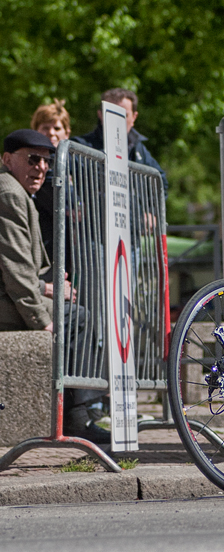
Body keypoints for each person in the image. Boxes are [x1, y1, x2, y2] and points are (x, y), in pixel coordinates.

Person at [0, 130, 105, 442]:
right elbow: (16, 271)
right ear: (7, 159)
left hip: (9, 295)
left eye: (46, 161)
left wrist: (47, 285)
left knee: (74, 311)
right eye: (33, 159)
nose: (41, 168)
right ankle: (79, 417)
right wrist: (42, 320)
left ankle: (80, 412)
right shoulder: (9, 194)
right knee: (78, 319)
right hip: (6, 302)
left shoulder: (17, 192)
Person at [72, 87, 168, 194]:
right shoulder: (80, 148)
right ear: (100, 115)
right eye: (112, 114)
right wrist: (75, 205)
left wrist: (151, 209)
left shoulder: (139, 150)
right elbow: (61, 179)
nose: (117, 121)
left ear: (134, 117)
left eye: (123, 115)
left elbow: (161, 182)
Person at [30, 99, 72, 254]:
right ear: (35, 131)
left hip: (72, 246)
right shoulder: (33, 162)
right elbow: (67, 201)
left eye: (57, 128)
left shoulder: (74, 163)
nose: (51, 133)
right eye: (45, 127)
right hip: (46, 243)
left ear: (67, 133)